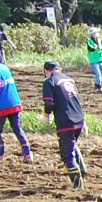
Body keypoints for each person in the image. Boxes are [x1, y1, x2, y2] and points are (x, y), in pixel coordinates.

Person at [39, 61, 87, 189]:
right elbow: (76, 100)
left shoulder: (49, 82)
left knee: (67, 154)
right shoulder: (69, 80)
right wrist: (84, 121)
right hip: (79, 119)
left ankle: (77, 184)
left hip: (65, 121)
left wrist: (46, 115)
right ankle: (82, 170)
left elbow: (49, 104)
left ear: (46, 71)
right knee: (72, 144)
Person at [84, 26, 102, 92]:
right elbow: (90, 48)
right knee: (98, 74)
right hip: (94, 61)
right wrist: (96, 48)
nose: (96, 34)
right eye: (95, 33)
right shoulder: (89, 41)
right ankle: (99, 88)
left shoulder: (99, 39)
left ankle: (96, 84)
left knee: (101, 74)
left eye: (97, 33)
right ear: (92, 34)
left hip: (100, 59)